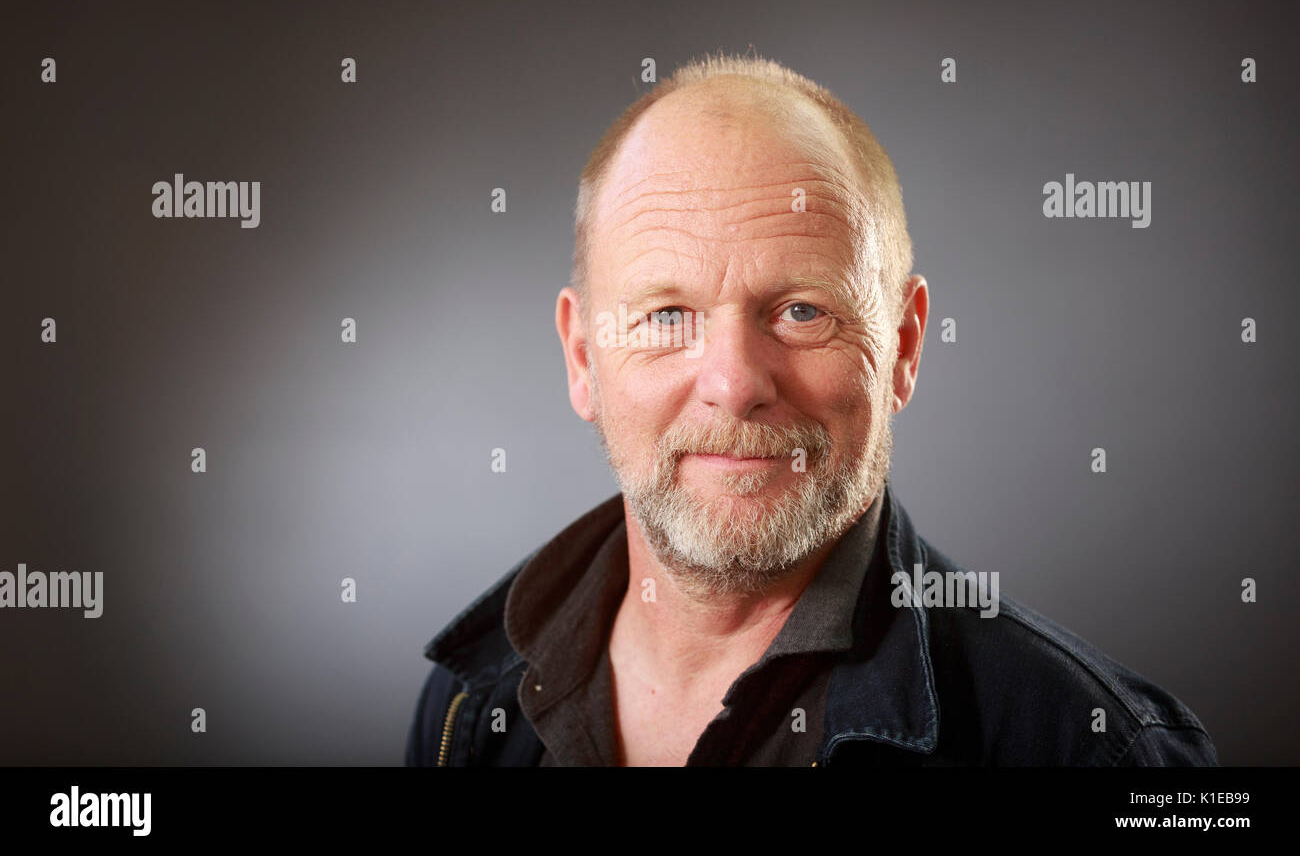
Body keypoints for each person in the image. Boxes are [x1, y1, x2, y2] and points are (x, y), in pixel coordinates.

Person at [406, 52, 1217, 766]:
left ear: (901, 347)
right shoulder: (465, 703)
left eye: (801, 311)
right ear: (583, 357)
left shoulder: (1097, 751)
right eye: (666, 316)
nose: (734, 382)